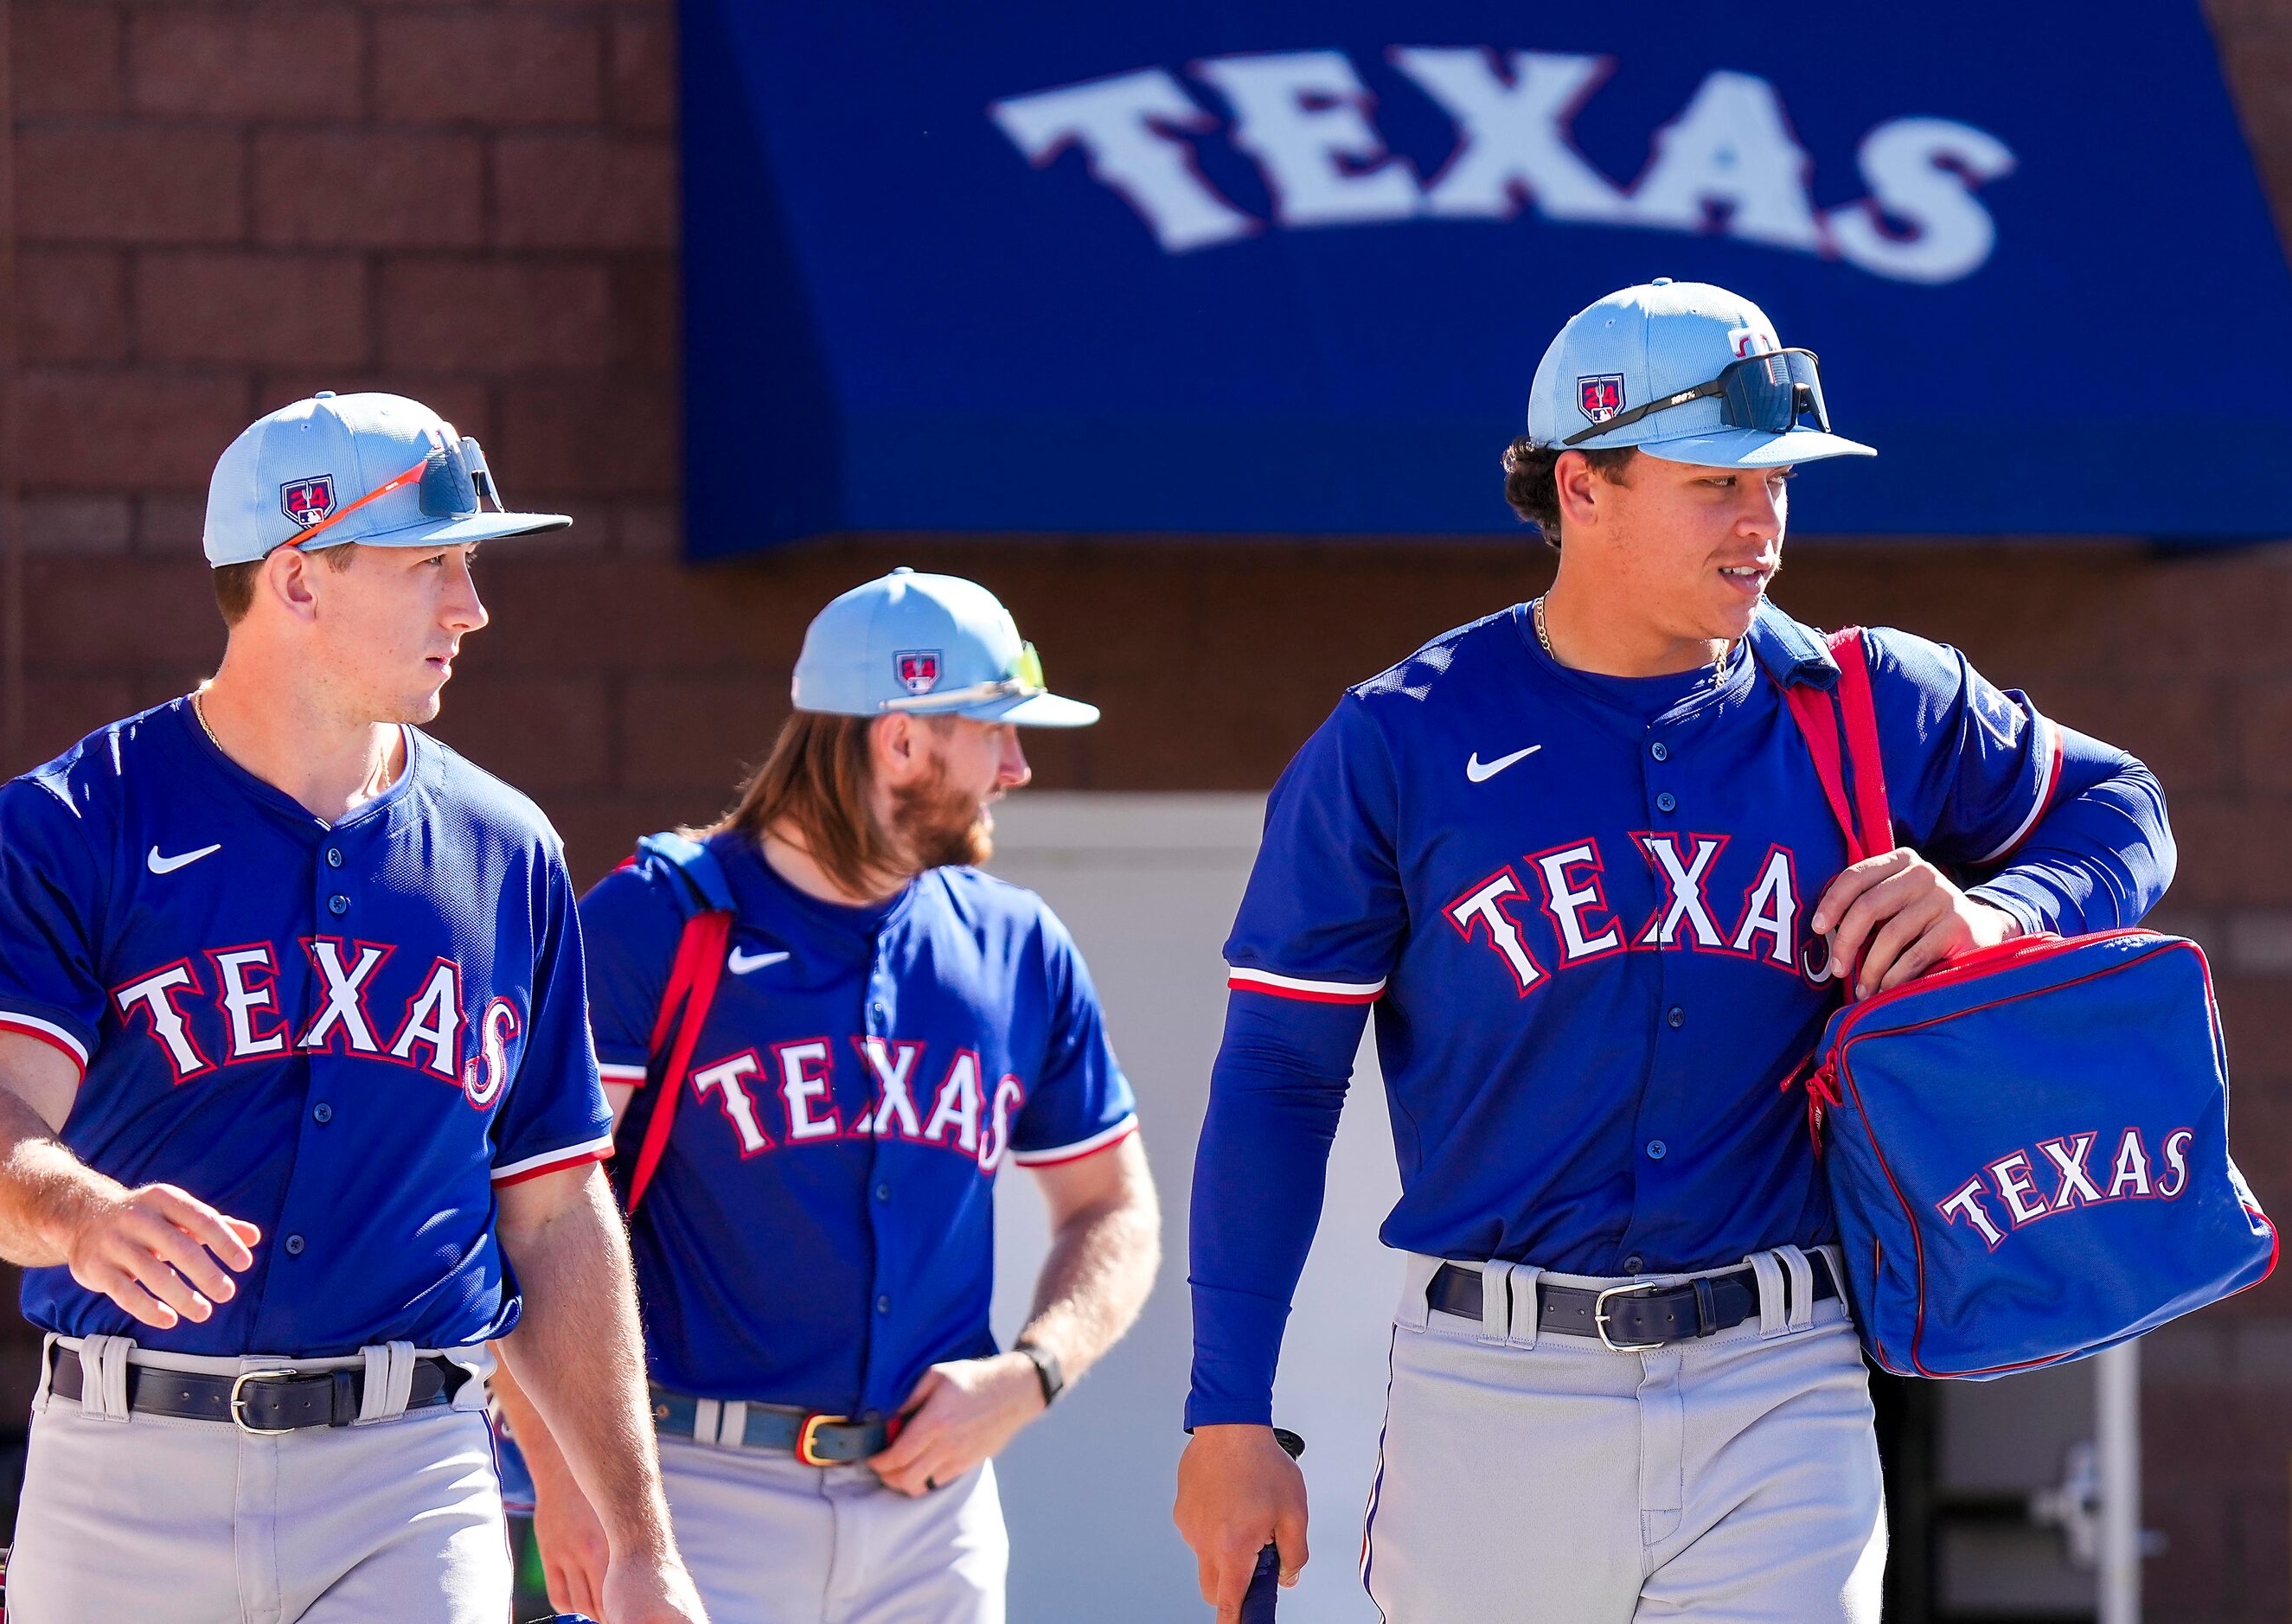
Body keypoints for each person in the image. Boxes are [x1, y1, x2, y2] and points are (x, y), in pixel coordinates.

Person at [1171, 280, 2177, 1623]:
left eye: (1779, 479)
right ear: (1581, 486)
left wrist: (2001, 910)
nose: (1762, 520)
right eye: (1717, 481)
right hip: (1496, 1386)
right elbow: (1281, 1080)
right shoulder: (1398, 738)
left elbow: (2128, 813)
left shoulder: (1872, 699)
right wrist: (1227, 1408)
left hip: (1785, 1372)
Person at [0, 392, 707, 1624]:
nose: (471, 605)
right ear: (297, 579)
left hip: (408, 1470)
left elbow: (552, 1210)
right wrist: (79, 1210)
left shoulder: (507, 849)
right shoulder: (76, 819)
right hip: (128, 1463)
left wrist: (636, 1533)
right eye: (432, 562)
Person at [498, 567, 1162, 1624]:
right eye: (994, 733)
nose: (1019, 767)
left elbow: (1115, 1209)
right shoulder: (656, 921)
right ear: (900, 741)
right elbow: (518, 1208)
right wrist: (558, 1471)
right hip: (690, 1487)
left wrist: (1032, 1372)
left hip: (931, 1516)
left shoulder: (1016, 944)